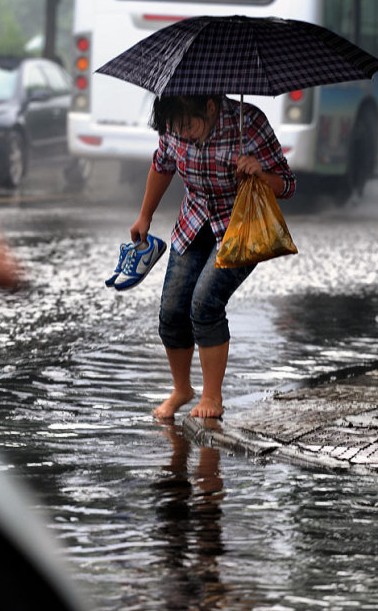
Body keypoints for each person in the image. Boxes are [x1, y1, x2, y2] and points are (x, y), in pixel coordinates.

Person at [130, 94, 296, 419]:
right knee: (172, 310)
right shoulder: (174, 126)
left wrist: (260, 173)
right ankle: (182, 389)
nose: (184, 134)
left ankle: (211, 398)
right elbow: (161, 166)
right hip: (194, 221)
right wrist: (144, 216)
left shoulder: (248, 124)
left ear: (210, 107)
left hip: (240, 228)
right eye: (177, 129)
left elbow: (287, 185)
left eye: (189, 125)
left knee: (204, 303)